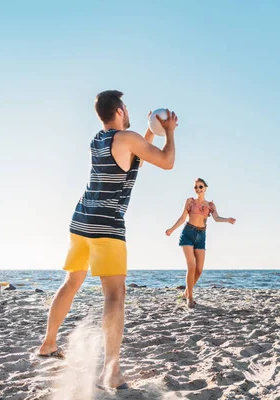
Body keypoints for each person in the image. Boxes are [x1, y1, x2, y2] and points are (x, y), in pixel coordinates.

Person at [37, 90, 179, 389]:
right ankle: (111, 372)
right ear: (118, 111)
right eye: (125, 107)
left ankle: (48, 344)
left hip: (81, 220)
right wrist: (168, 132)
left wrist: (149, 133)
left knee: (72, 282)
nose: (127, 111)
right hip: (106, 225)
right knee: (115, 295)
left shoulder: (99, 140)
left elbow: (135, 157)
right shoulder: (126, 139)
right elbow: (167, 162)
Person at [166, 178, 236, 308]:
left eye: (200, 187)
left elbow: (216, 218)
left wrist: (227, 220)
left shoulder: (210, 205)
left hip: (201, 235)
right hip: (188, 233)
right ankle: (190, 298)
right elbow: (182, 218)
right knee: (191, 266)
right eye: (196, 187)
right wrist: (172, 229)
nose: (198, 189)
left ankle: (186, 292)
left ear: (205, 188)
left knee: (199, 269)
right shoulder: (190, 202)